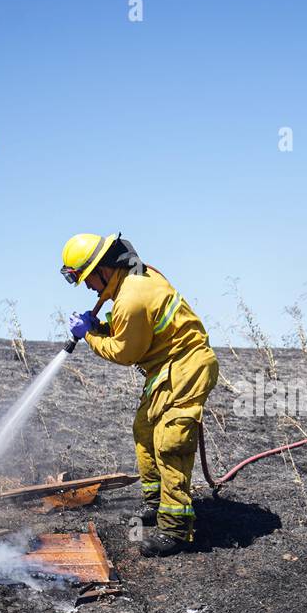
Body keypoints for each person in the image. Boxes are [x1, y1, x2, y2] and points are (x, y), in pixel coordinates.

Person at [60, 232, 219, 557]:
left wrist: (90, 335)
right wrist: (100, 328)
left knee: (170, 443)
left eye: (89, 279)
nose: (89, 287)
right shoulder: (131, 280)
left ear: (104, 268)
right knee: (145, 431)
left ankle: (175, 530)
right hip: (164, 368)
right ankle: (157, 503)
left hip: (185, 366)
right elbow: (137, 334)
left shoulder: (130, 297)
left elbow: (124, 352)